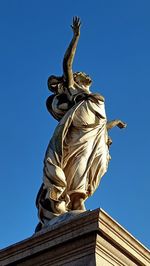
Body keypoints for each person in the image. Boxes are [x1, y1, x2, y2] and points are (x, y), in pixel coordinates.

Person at [35, 17, 126, 231]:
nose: (82, 74)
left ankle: (77, 197)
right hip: (79, 131)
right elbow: (67, 63)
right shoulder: (73, 88)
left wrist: (115, 123)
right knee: (80, 161)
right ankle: (76, 200)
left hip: (95, 131)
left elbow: (99, 124)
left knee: (99, 164)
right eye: (77, 75)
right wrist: (75, 37)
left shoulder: (92, 98)